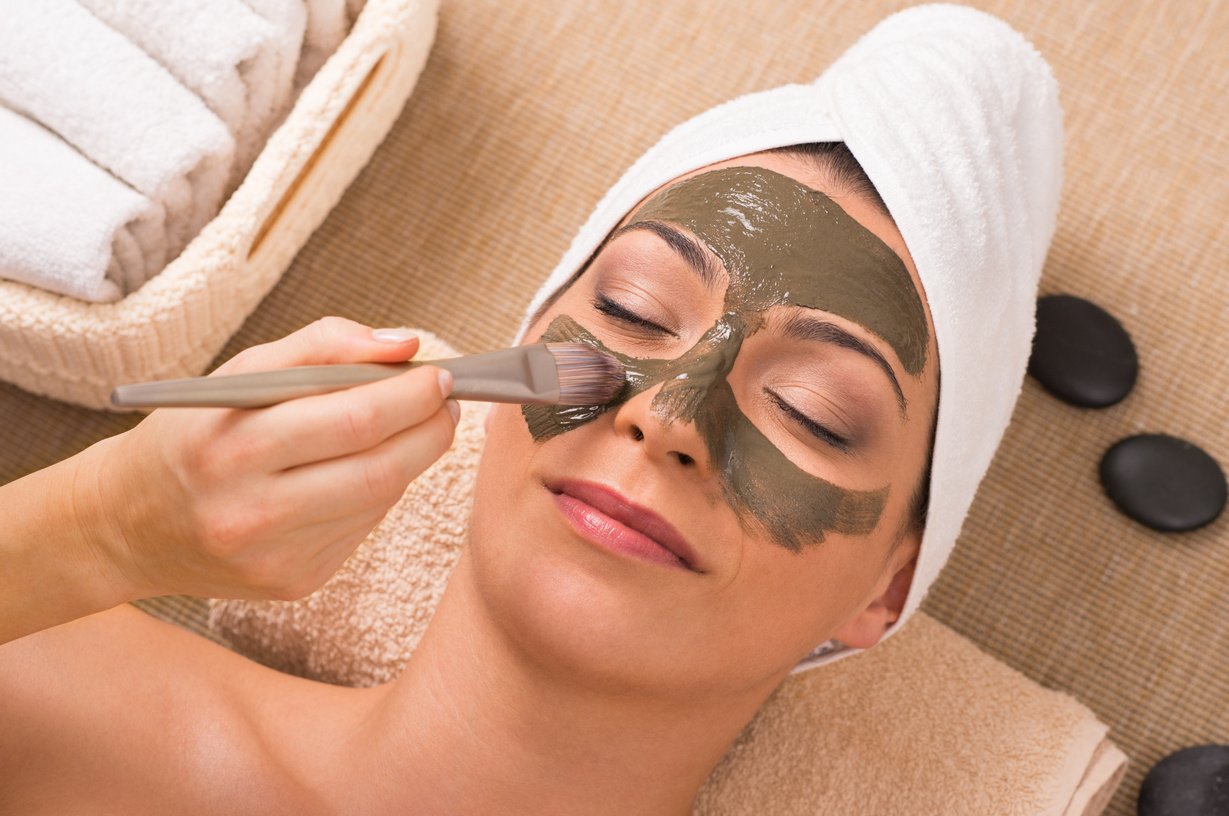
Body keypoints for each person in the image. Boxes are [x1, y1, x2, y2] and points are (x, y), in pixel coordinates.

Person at [0, 5, 1062, 813]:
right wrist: (102, 528)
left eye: (813, 412)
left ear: (883, 590)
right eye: (634, 311)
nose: (669, 417)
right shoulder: (42, 692)